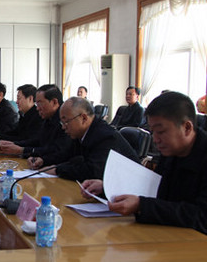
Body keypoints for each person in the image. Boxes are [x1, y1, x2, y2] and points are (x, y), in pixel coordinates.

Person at [82, 91, 207, 234]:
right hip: (166, 234)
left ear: (187, 127)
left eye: (161, 131)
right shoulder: (171, 151)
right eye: (152, 132)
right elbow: (151, 189)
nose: (155, 139)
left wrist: (142, 206)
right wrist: (108, 188)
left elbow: (202, 217)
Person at [30, 96, 138, 181]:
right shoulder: (81, 133)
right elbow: (66, 154)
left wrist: (58, 170)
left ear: (83, 118)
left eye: (66, 122)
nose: (63, 127)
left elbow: (93, 171)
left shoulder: (105, 136)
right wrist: (43, 160)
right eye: (62, 122)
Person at [0, 84, 71, 162]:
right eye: (36, 104)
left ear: (54, 102)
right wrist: (14, 144)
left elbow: (57, 150)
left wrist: (22, 150)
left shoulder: (66, 120)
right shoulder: (48, 117)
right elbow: (38, 140)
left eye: (40, 103)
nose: (37, 108)